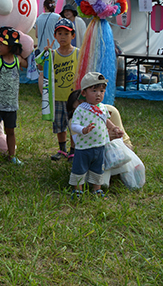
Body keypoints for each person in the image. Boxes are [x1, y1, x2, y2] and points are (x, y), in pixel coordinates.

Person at [67, 72, 123, 198]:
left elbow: (106, 120)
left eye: (102, 91)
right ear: (84, 93)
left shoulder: (102, 108)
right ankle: (78, 189)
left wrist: (114, 127)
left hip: (99, 145)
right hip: (84, 147)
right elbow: (74, 125)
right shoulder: (81, 109)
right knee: (79, 168)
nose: (99, 94)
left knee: (98, 168)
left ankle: (96, 188)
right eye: (94, 90)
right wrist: (84, 130)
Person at [0, 26, 27, 165]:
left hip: (11, 105)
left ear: (11, 46)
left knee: (11, 131)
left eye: (1, 44)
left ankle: (12, 156)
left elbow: (28, 62)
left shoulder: (18, 60)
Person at [42, 18, 80, 161]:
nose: (63, 37)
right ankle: (62, 149)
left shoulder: (78, 53)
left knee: (73, 125)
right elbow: (41, 67)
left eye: (66, 33)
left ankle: (73, 150)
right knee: (60, 125)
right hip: (57, 96)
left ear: (73, 36)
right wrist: (45, 53)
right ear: (55, 36)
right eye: (60, 33)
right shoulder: (52, 54)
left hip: (74, 99)